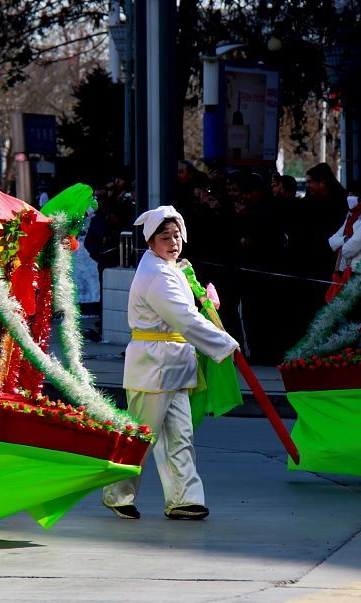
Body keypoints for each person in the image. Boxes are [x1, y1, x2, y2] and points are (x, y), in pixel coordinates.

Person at [101, 206, 239, 521]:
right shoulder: (157, 274)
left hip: (176, 362)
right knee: (141, 435)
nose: (173, 242)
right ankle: (116, 493)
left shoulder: (171, 268)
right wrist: (224, 343)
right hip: (152, 363)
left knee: (180, 436)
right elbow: (184, 318)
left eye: (176, 235)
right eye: (165, 237)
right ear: (151, 242)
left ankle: (184, 498)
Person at [325, 177, 361, 303]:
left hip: (360, 274)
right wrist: (346, 239)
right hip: (344, 270)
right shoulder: (350, 217)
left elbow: (348, 250)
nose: (349, 197)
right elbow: (332, 241)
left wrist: (342, 242)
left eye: (352, 194)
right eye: (349, 194)